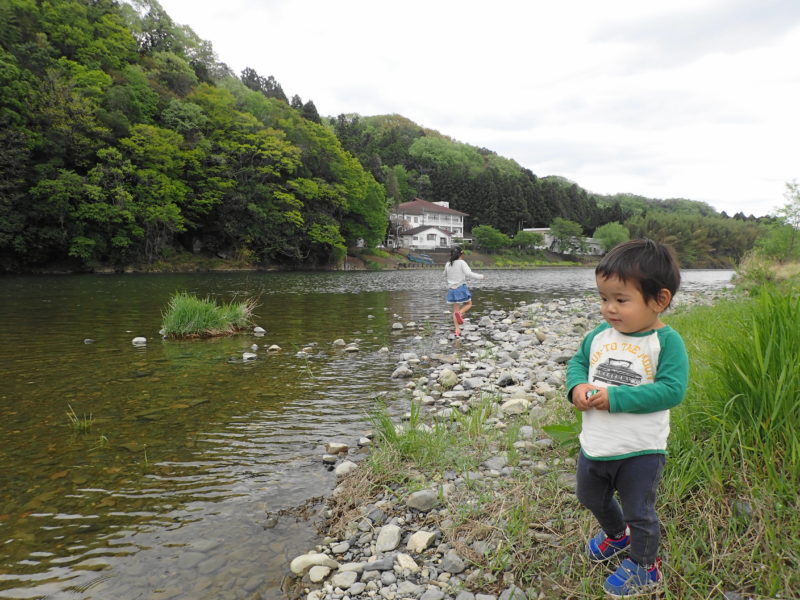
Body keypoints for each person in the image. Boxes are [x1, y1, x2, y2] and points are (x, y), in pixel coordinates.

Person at [565, 238, 688, 597]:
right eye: (604, 298)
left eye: (621, 300)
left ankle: (645, 566)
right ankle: (617, 537)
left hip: (640, 451)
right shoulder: (598, 337)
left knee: (640, 511)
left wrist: (615, 397)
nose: (609, 308)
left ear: (659, 300)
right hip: (596, 445)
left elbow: (671, 390)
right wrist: (576, 387)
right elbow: (577, 364)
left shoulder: (666, 343)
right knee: (590, 496)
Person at [444, 246, 484, 337]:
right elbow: (469, 273)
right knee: (468, 304)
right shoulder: (462, 262)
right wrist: (481, 277)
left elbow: (444, 274)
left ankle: (457, 330)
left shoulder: (448, 264)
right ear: (461, 254)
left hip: (451, 289)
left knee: (455, 310)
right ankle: (460, 313)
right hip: (460, 287)